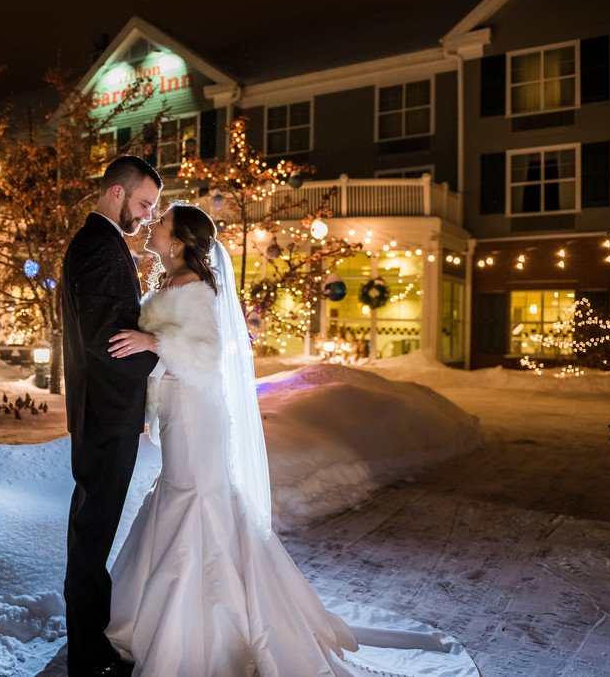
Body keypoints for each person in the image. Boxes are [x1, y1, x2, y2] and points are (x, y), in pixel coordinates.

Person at [105, 202, 475, 676]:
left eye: (161, 223)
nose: (152, 226)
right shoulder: (170, 282)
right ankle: (152, 617)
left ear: (177, 242)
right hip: (180, 410)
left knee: (199, 497)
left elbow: (205, 354)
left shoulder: (194, 286)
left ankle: (205, 633)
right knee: (181, 494)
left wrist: (153, 343)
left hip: (197, 413)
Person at [61, 155, 162, 677]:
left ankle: (89, 644)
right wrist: (164, 355)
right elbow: (105, 337)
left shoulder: (99, 243)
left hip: (102, 409)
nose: (146, 216)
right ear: (118, 193)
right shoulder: (100, 245)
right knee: (92, 530)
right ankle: (88, 652)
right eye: (144, 204)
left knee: (92, 528)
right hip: (105, 411)